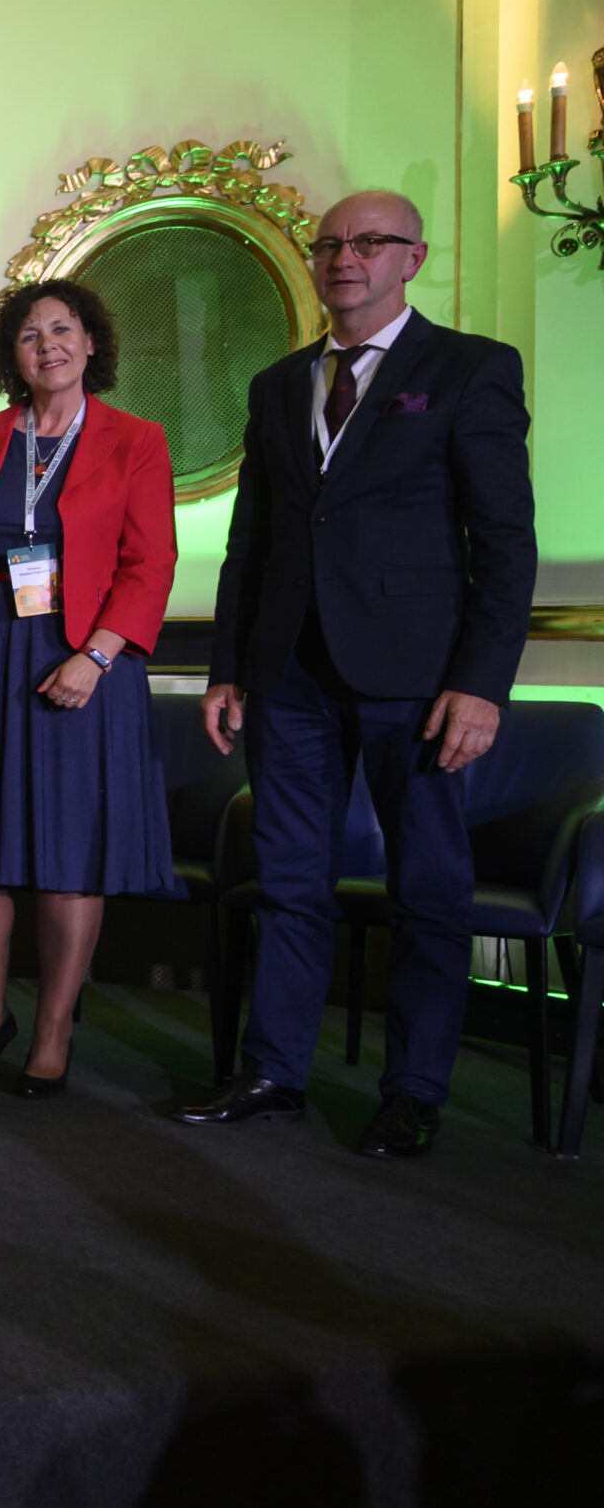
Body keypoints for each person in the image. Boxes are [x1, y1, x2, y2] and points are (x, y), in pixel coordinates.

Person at [183, 190, 535, 1158]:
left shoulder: (469, 368)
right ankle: (272, 1072)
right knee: (289, 881)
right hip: (287, 676)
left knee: (427, 887)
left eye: (370, 242)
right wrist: (227, 668)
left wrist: (481, 683)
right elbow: (251, 541)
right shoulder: (277, 383)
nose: (345, 258)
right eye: (330, 244)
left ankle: (413, 1090)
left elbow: (505, 539)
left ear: (412, 258)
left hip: (418, 680)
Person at [0, 279, 177, 1097]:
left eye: (62, 330)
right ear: (10, 356)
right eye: (29, 336)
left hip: (85, 657)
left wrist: (96, 656)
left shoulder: (137, 439)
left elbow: (150, 563)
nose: (48, 346)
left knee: (69, 859)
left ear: (92, 342)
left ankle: (55, 1028)